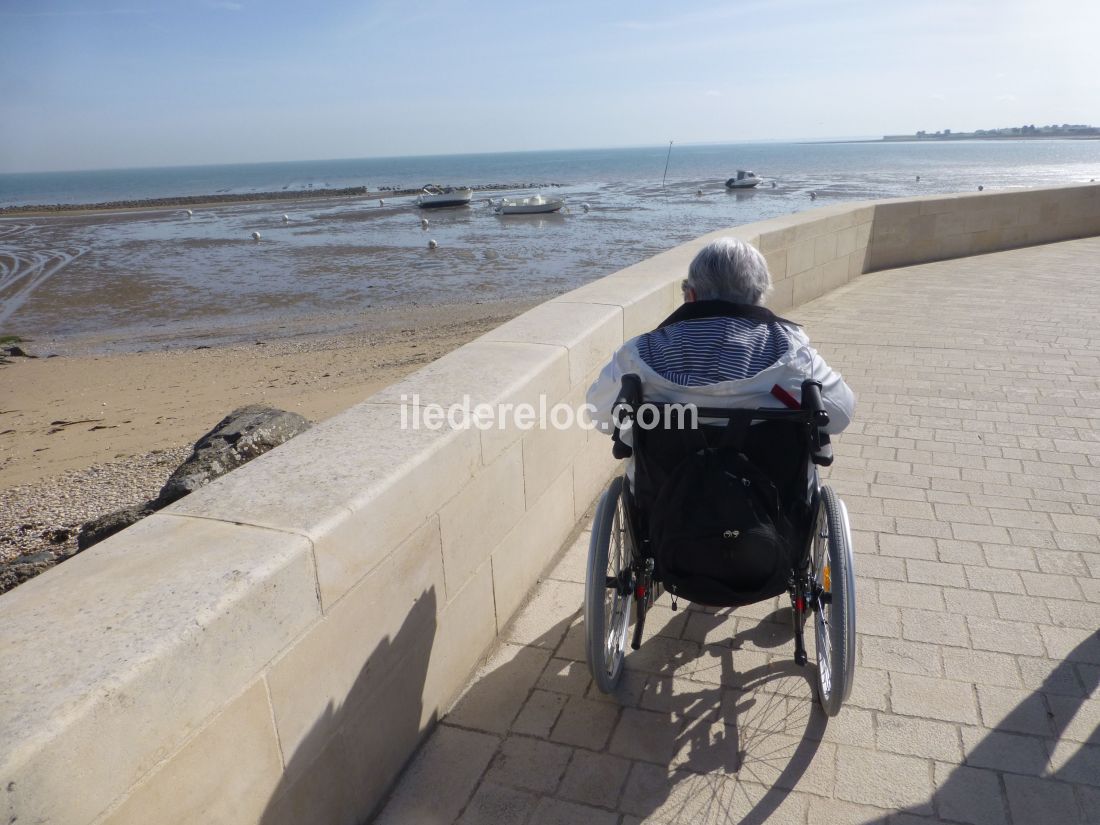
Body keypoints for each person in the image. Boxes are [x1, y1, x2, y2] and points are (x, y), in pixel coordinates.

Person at [586, 237, 855, 467]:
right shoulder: (792, 352)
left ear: (690, 295)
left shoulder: (640, 353)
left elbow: (600, 415)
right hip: (771, 511)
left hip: (664, 509)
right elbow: (840, 414)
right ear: (759, 296)